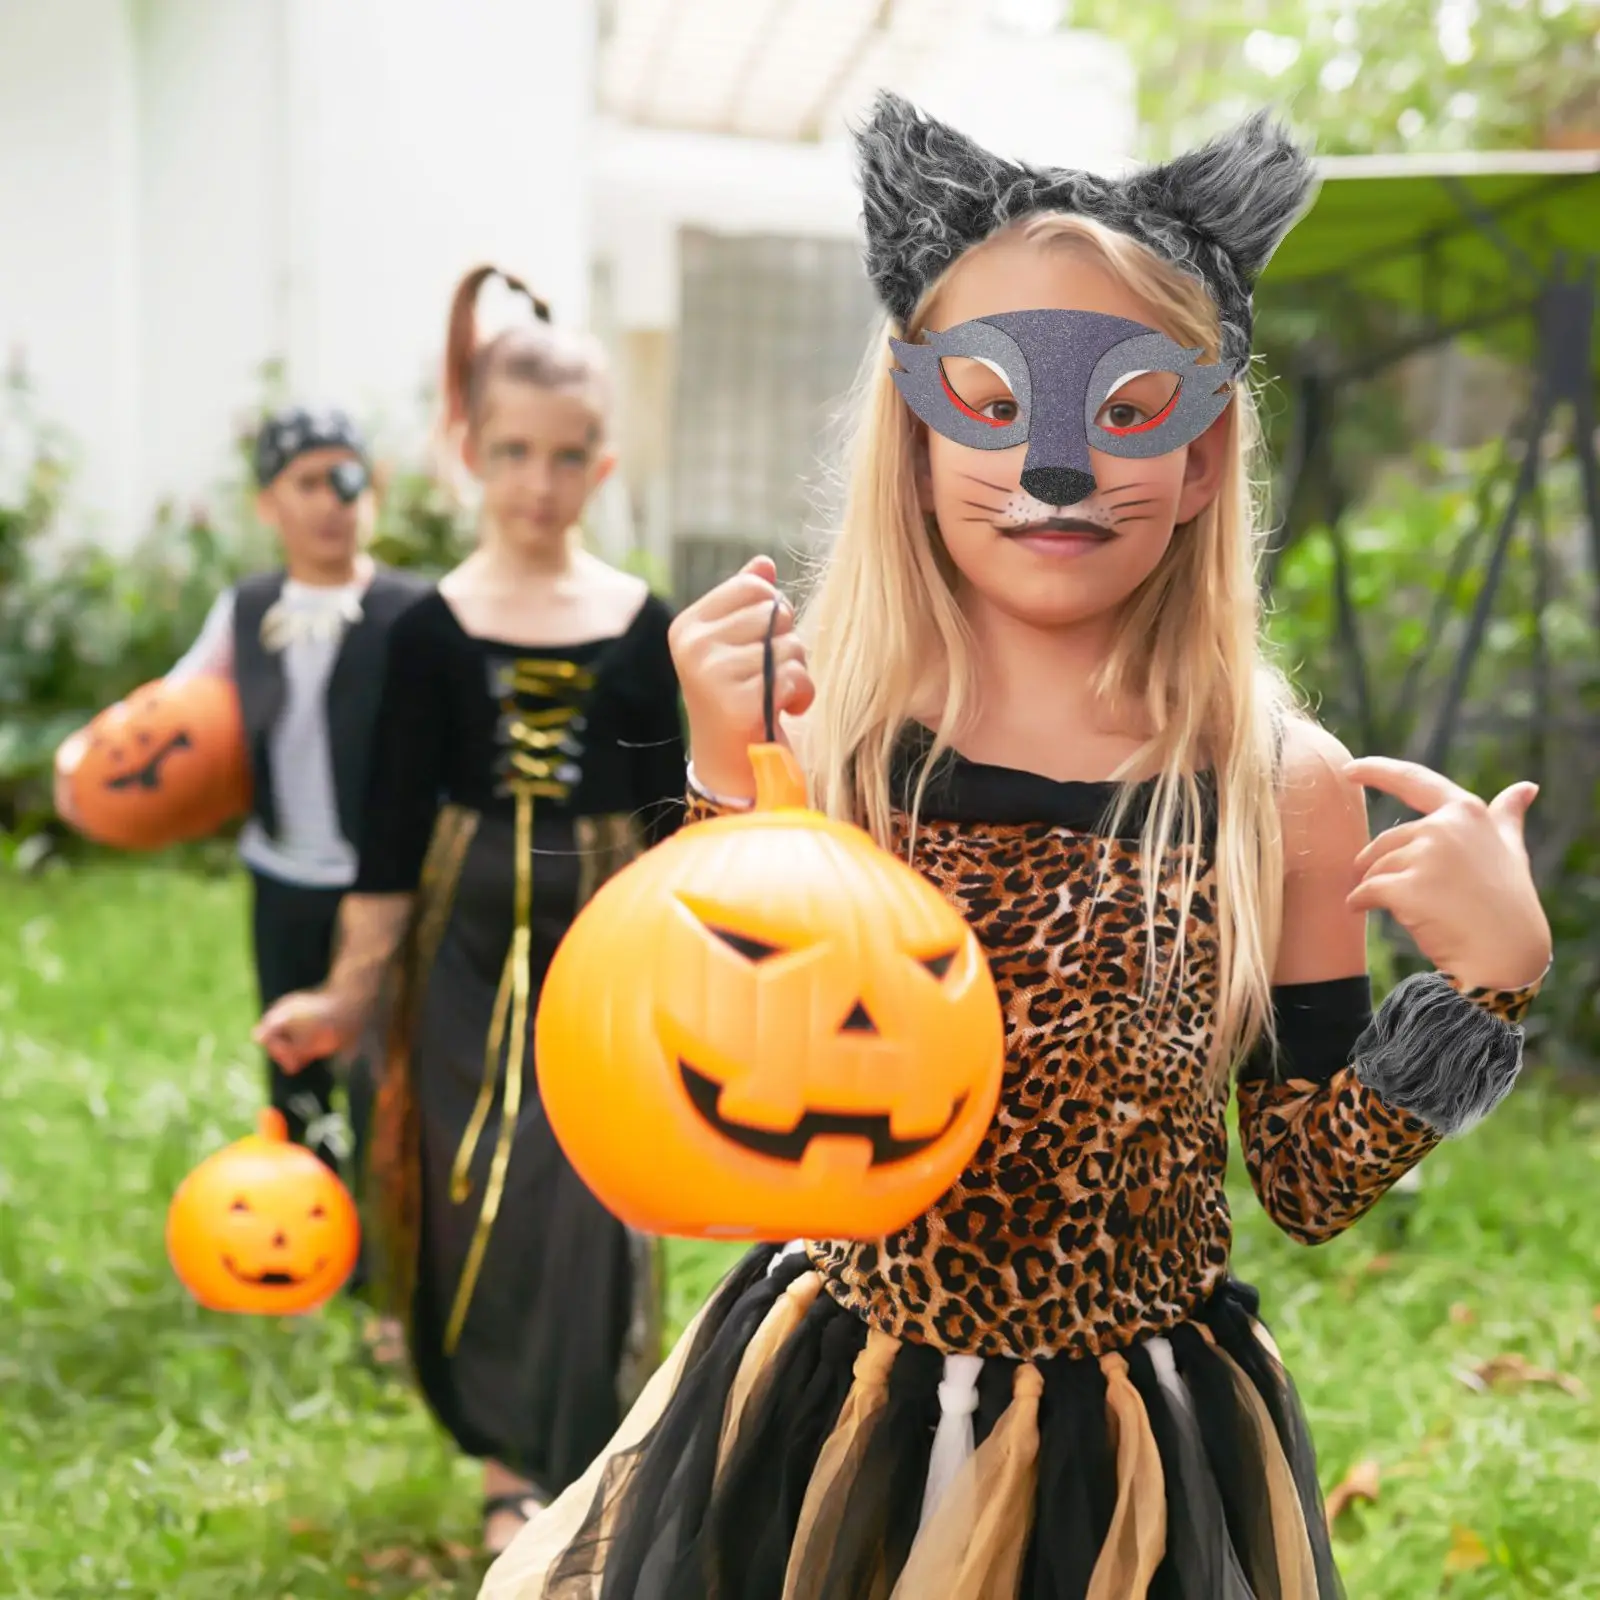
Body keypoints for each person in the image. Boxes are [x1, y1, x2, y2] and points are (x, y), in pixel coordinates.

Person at [479, 97, 1552, 1598]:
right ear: (915, 440)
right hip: (847, 1415)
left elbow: (1305, 1181)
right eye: (989, 403)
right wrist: (735, 782)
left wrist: (1484, 989)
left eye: (1130, 413)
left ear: (1202, 459)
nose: (1057, 470)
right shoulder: (839, 739)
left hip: (1133, 1450)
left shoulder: (1275, 785)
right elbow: (710, 1088)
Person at [254, 266, 688, 1556]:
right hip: (456, 946)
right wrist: (347, 994)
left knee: (581, 1188)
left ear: (602, 464)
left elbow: (674, 827)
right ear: (468, 451)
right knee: (467, 1185)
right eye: (512, 452)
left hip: (602, 945)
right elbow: (388, 841)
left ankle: (581, 1455)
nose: (538, 482)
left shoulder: (640, 627)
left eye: (566, 455)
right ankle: (504, 1458)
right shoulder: (427, 632)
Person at [57, 408, 426, 1279]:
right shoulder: (249, 607)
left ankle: (387, 1262)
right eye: (308, 483)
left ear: (372, 493)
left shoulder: (413, 611)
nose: (332, 502)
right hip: (284, 874)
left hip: (381, 881)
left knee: (384, 1069)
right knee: (295, 1057)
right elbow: (171, 709)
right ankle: (306, 1238)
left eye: (348, 480)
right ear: (269, 503)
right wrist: (84, 769)